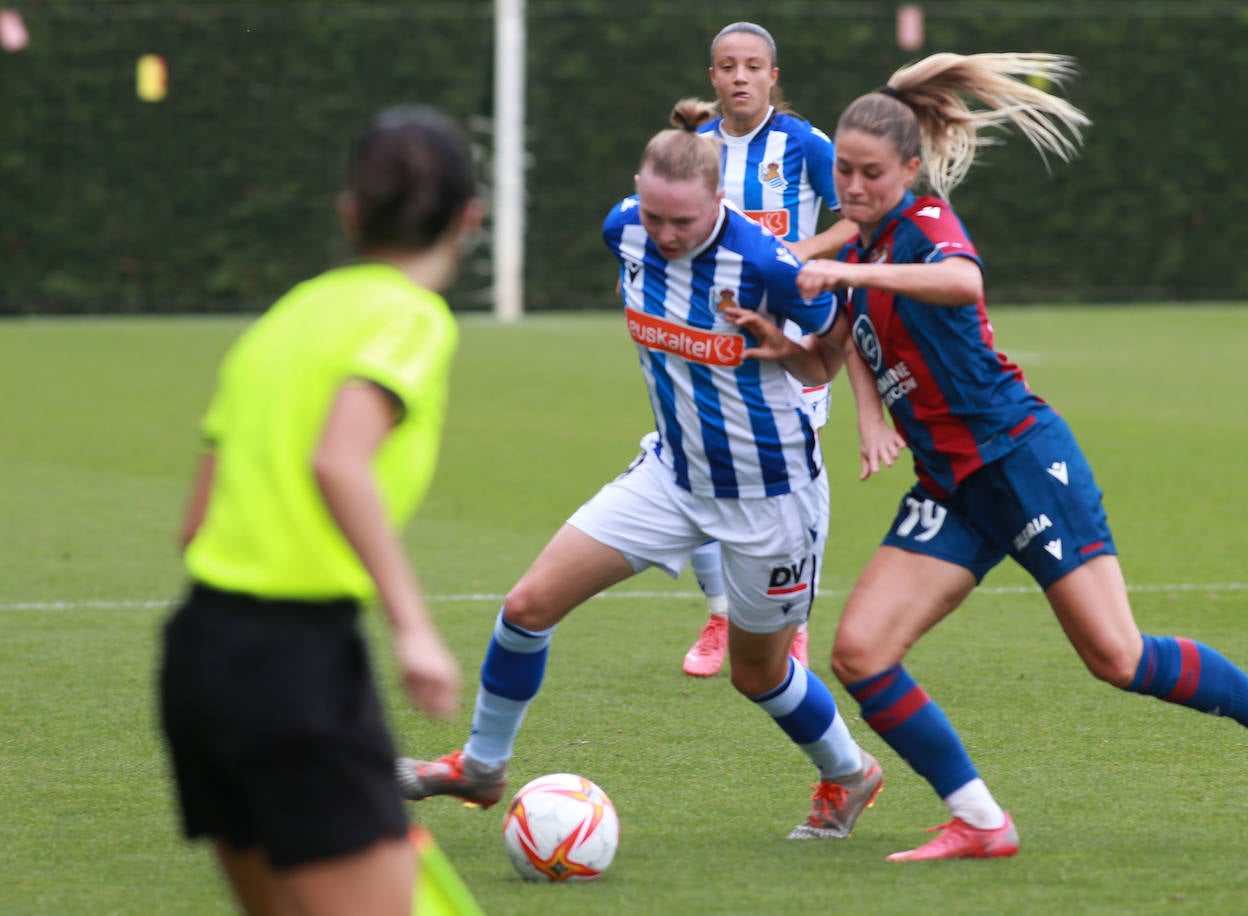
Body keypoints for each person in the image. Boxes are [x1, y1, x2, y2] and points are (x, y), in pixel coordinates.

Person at [737, 51, 1248, 861]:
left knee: (1116, 658)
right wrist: (778, 343)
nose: (852, 187)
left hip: (1020, 460)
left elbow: (964, 284)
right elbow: (825, 362)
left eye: (871, 173)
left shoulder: (921, 228)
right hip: (950, 484)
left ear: (910, 169)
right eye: (843, 171)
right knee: (861, 653)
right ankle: (982, 820)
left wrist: (841, 261)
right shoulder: (861, 255)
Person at [396, 101, 885, 842]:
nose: (664, 235)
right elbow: (645, 259)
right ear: (637, 193)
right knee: (527, 607)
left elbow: (827, 357)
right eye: (654, 216)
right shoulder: (621, 228)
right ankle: (481, 768)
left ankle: (852, 774)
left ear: (718, 201)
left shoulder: (766, 267)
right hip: (670, 476)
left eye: (682, 223)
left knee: (757, 676)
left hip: (770, 498)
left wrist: (777, 345)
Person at [158, 105, 481, 914]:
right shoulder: (410, 315)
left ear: (349, 212)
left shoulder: (283, 319)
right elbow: (340, 459)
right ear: (468, 221)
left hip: (197, 657)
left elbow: (194, 527)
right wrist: (413, 626)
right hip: (292, 666)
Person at [679, 20, 858, 678]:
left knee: (795, 475)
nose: (740, 77)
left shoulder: (806, 144)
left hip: (794, 338)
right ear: (713, 78)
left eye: (753, 66)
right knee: (697, 465)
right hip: (712, 336)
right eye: (727, 66)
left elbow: (854, 217)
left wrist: (796, 254)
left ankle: (795, 622)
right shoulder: (694, 148)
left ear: (772, 76)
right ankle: (722, 614)